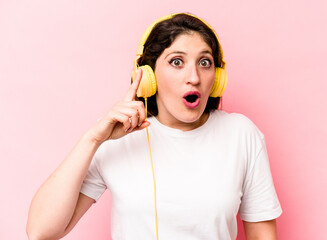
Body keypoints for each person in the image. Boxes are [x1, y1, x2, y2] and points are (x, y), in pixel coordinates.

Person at [27, 13, 282, 240]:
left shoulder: (241, 134)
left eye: (204, 63)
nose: (194, 77)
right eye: (176, 62)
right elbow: (41, 231)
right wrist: (93, 140)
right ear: (149, 76)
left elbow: (262, 234)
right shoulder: (118, 137)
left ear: (217, 79)